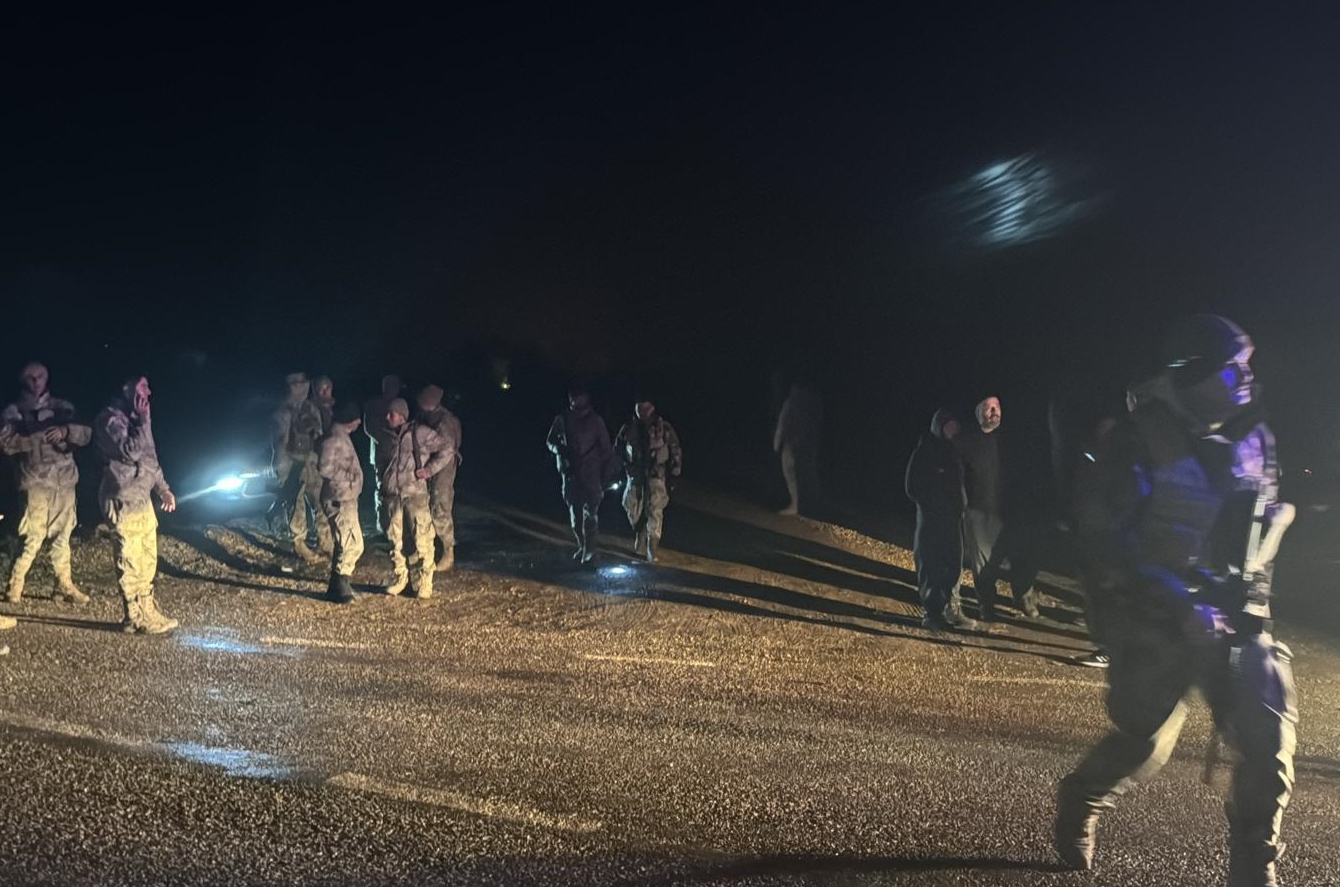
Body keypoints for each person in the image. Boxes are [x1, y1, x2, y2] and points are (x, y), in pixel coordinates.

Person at [1054, 315, 1297, 887]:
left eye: (1247, 362)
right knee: (1145, 740)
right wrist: (1175, 601)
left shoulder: (1254, 433)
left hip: (1239, 617)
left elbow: (1258, 523)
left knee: (1269, 739)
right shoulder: (1138, 437)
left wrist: (1251, 593)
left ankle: (1255, 871)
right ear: (1196, 375)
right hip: (1158, 616)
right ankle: (1083, 798)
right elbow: (1101, 541)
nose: (1246, 376)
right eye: (1233, 365)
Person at [1, 362, 93, 604]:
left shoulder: (62, 407)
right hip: (35, 483)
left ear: (47, 377)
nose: (35, 381)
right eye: (30, 377)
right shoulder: (14, 411)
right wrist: (36, 437)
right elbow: (6, 443)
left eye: (39, 376)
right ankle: (15, 584)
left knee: (63, 535)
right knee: (33, 535)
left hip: (64, 481)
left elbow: (87, 434)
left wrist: (66, 431)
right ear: (22, 380)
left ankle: (64, 585)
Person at [94, 376, 178, 634]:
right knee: (129, 559)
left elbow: (150, 456)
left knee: (147, 558)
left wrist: (162, 488)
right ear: (126, 389)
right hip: (123, 498)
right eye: (143, 386)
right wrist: (143, 422)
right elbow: (130, 452)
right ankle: (133, 616)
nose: (149, 391)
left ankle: (148, 610)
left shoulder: (139, 420)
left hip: (141, 498)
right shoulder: (109, 421)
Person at [904, 408, 978, 631]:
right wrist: (932, 503)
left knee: (953, 564)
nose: (954, 429)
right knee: (930, 564)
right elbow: (911, 486)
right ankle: (932, 613)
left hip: (953, 519)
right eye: (949, 425)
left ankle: (951, 609)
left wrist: (966, 501)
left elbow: (968, 480)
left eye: (956, 425)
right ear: (939, 426)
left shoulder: (957, 452)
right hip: (931, 520)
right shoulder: (925, 450)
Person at [380, 397, 453, 598]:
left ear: (402, 416)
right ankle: (401, 578)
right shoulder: (387, 436)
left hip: (414, 494)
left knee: (422, 538)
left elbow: (447, 449)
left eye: (392, 414)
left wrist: (429, 470)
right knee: (395, 539)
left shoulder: (419, 433)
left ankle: (425, 582)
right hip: (393, 495)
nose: (387, 417)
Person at [547, 389, 612, 564]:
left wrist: (604, 473)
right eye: (574, 397)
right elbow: (550, 441)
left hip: (590, 475)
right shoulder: (562, 419)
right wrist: (560, 450)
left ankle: (590, 551)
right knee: (575, 517)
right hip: (570, 475)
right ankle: (583, 546)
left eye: (580, 396)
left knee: (590, 515)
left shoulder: (596, 421)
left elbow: (606, 449)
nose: (577, 400)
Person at [615, 400, 682, 563]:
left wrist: (674, 474)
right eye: (639, 406)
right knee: (630, 503)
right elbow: (618, 450)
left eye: (645, 407)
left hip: (656, 475)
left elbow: (675, 450)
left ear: (652, 408)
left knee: (655, 509)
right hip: (635, 475)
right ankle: (640, 532)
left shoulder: (663, 428)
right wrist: (615, 471)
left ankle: (652, 549)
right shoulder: (628, 427)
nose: (642, 410)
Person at [272, 372, 330, 561]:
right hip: (292, 463)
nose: (303, 388)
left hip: (311, 460)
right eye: (299, 384)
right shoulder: (283, 411)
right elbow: (281, 440)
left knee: (320, 500)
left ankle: (326, 542)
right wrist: (281, 466)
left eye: (304, 383)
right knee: (296, 505)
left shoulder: (311, 408)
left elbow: (320, 433)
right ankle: (299, 544)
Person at [317, 401, 364, 604]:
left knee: (346, 541)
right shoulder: (334, 439)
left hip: (345, 496)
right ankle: (340, 586)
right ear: (352, 421)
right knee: (350, 543)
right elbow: (324, 468)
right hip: (339, 497)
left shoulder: (340, 436)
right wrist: (348, 474)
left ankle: (337, 585)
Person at [416, 384, 463, 571]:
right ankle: (429, 547)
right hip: (431, 466)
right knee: (427, 505)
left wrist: (429, 470)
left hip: (442, 468)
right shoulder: (428, 416)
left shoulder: (445, 422)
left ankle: (448, 551)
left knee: (440, 505)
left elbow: (447, 452)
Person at [773, 380, 824, 516]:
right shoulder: (803, 403)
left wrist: (778, 442)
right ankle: (800, 504)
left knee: (798, 474)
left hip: (797, 443)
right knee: (799, 473)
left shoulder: (799, 403)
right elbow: (783, 422)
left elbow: (783, 423)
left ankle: (799, 505)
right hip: (798, 443)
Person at [363, 375, 402, 536]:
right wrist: (387, 439)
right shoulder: (374, 405)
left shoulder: (399, 404)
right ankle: (384, 526)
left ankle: (397, 528)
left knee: (397, 492)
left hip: (398, 455)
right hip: (382, 455)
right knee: (383, 492)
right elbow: (370, 428)